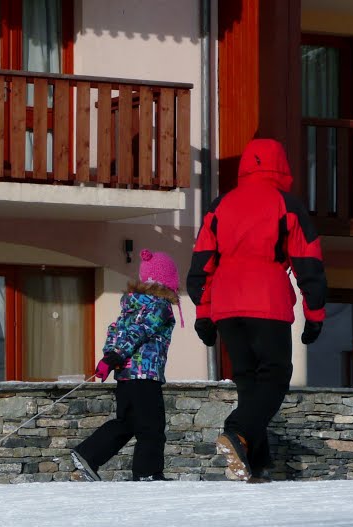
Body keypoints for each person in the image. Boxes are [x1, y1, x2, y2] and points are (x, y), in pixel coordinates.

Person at [186, 137, 327, 483]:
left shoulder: (221, 205)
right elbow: (308, 263)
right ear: (281, 165)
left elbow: (202, 262)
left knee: (249, 382)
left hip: (226, 304)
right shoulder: (286, 204)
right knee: (275, 376)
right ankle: (237, 431)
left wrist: (204, 313)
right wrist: (316, 313)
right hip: (266, 299)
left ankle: (255, 462)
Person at [70, 249, 183, 482]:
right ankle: (148, 473)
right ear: (167, 280)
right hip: (144, 375)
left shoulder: (131, 305)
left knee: (129, 422)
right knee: (151, 427)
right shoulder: (159, 306)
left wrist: (110, 357)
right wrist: (113, 358)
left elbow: (116, 331)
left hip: (125, 376)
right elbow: (139, 332)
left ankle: (88, 454)